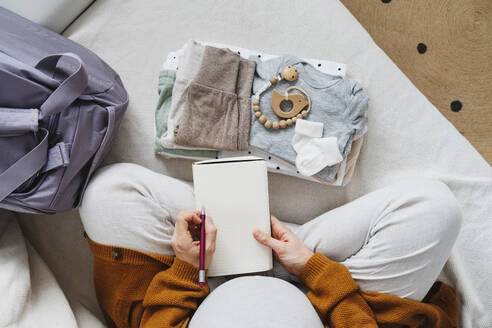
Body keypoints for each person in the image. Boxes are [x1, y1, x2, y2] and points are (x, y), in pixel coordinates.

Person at [79, 163, 462, 328]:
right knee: (434, 207)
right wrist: (312, 267)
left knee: (108, 191)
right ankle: (267, 237)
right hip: (327, 301)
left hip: (201, 289)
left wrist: (184, 266)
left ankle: (251, 236)